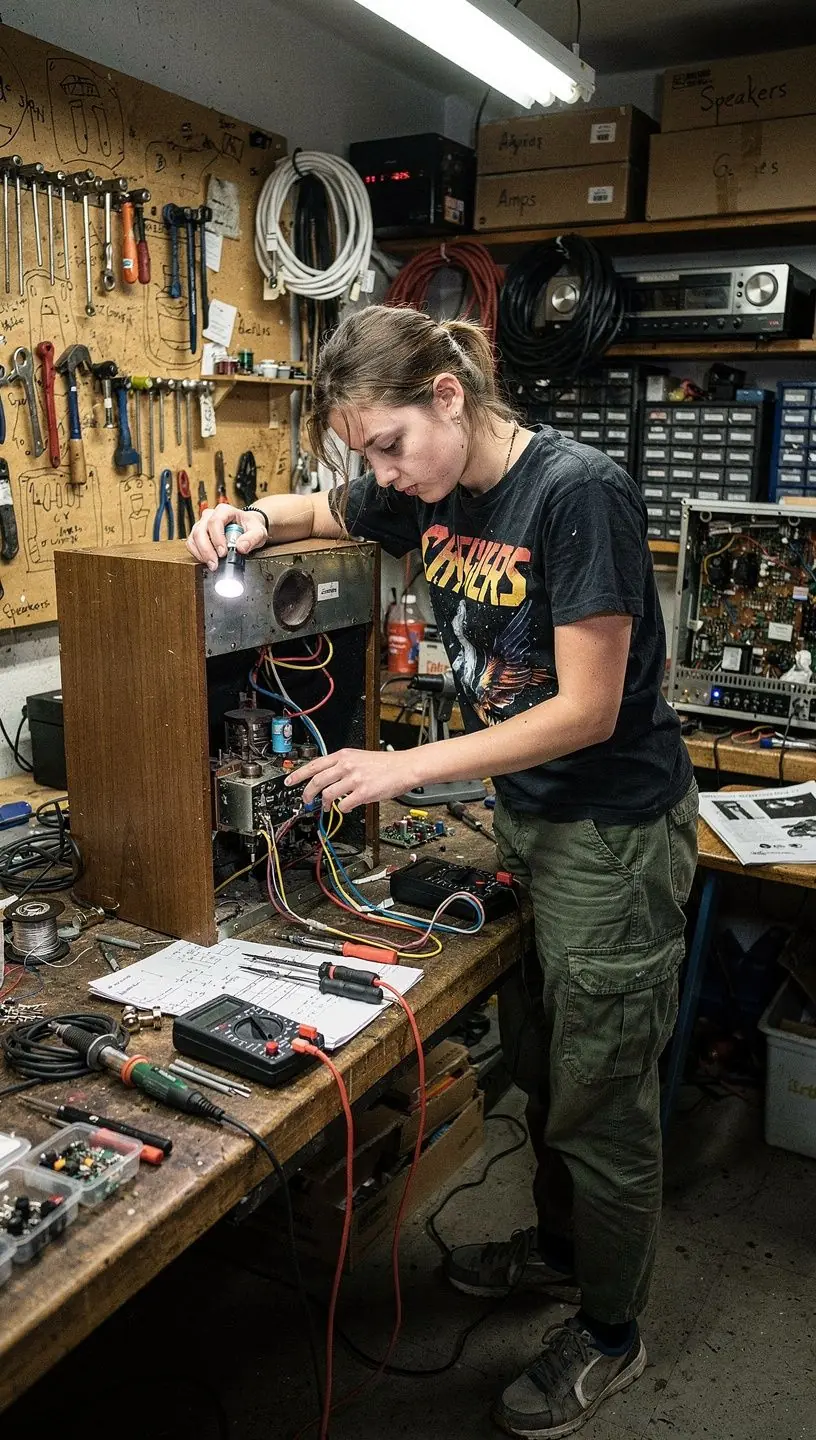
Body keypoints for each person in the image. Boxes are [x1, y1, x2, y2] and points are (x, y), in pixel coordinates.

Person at [187, 304, 698, 1439]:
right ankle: (563, 1257)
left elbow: (588, 708)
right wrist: (244, 518)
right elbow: (323, 506)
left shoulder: (577, 495)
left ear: (451, 398)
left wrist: (403, 767)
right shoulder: (432, 484)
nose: (381, 474)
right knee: (541, 1061)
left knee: (600, 1102)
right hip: (529, 822)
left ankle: (612, 1335)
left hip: (610, 835)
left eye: (389, 445)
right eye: (365, 450)